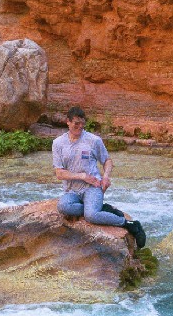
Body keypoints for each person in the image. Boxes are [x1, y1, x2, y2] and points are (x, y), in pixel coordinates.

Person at [52, 106, 146, 249]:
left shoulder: (93, 140)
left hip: (93, 188)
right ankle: (101, 208)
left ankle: (129, 224)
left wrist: (106, 177)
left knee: (90, 216)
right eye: (76, 123)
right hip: (71, 191)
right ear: (68, 122)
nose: (80, 127)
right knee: (63, 206)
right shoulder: (58, 143)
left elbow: (107, 161)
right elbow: (59, 173)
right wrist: (83, 176)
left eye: (82, 123)